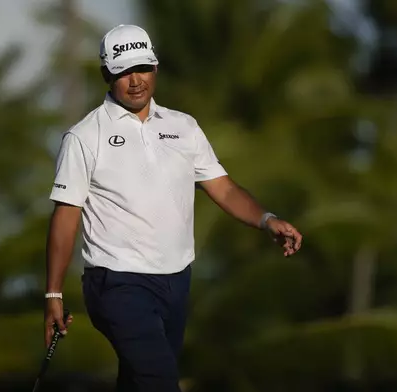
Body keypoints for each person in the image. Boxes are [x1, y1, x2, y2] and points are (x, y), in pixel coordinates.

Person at [43, 24, 303, 391]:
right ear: (107, 74)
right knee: (161, 382)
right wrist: (53, 294)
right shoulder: (85, 137)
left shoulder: (184, 127)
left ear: (155, 68)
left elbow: (224, 189)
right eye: (124, 72)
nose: (136, 81)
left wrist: (267, 219)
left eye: (144, 68)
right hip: (117, 283)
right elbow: (65, 217)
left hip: (176, 280)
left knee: (139, 382)